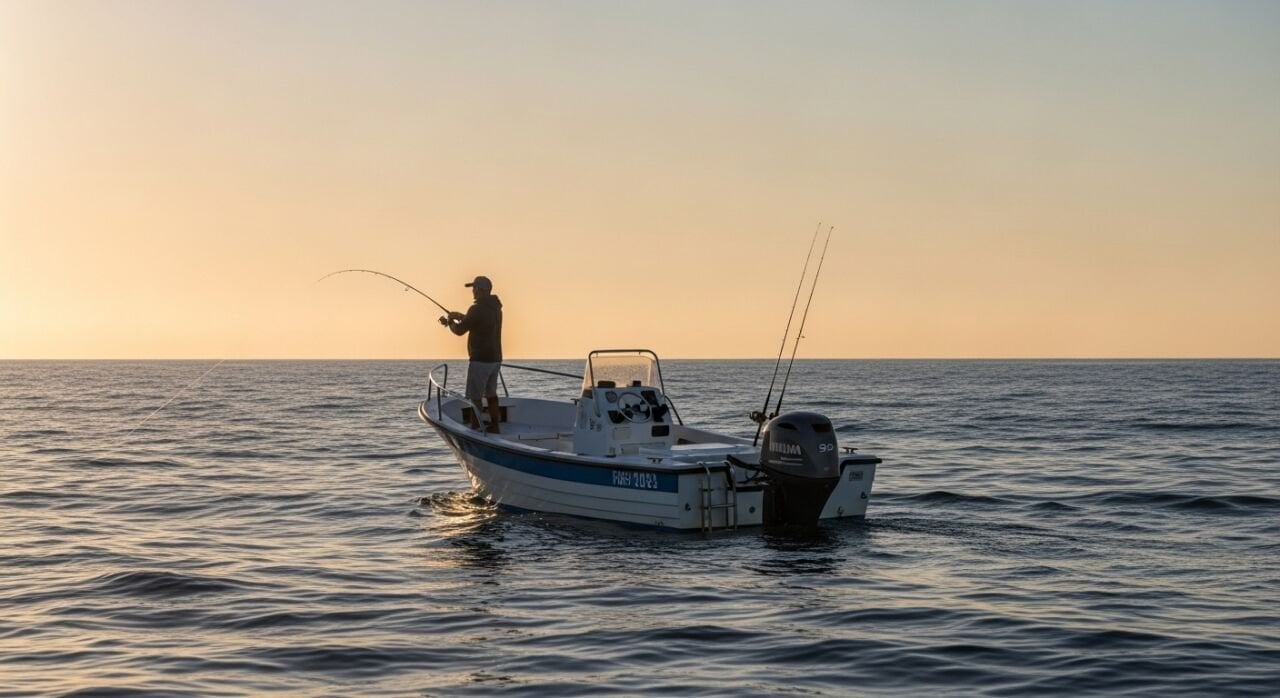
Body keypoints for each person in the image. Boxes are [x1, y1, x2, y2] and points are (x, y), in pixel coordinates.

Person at [440, 275, 504, 433]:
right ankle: (495, 426)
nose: (473, 291)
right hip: (495, 358)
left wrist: (449, 322)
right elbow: (479, 322)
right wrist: (461, 316)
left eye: (474, 288)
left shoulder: (476, 309)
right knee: (491, 394)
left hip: (480, 359)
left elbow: (460, 330)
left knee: (475, 396)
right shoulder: (495, 308)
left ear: (482, 290)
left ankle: (476, 427)